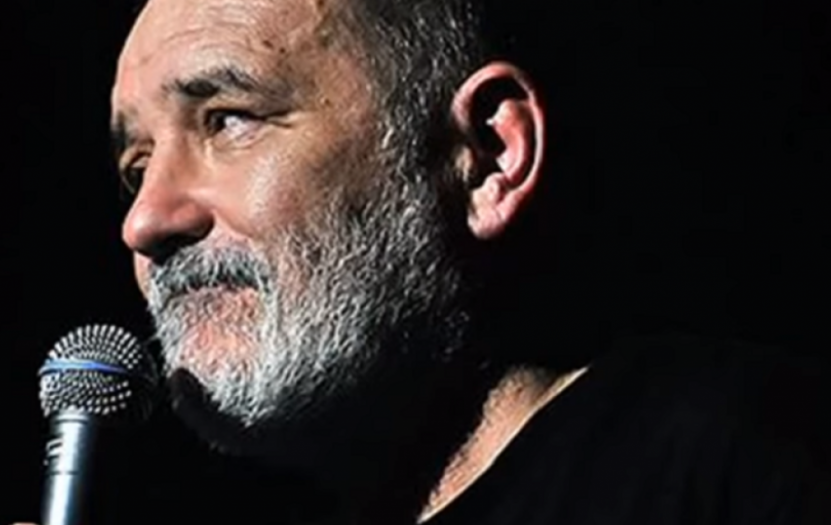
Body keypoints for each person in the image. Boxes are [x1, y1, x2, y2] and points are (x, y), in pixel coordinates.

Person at [93, 0, 831, 523]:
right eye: (136, 166)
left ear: (487, 156)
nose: (145, 220)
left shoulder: (737, 460)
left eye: (228, 120)